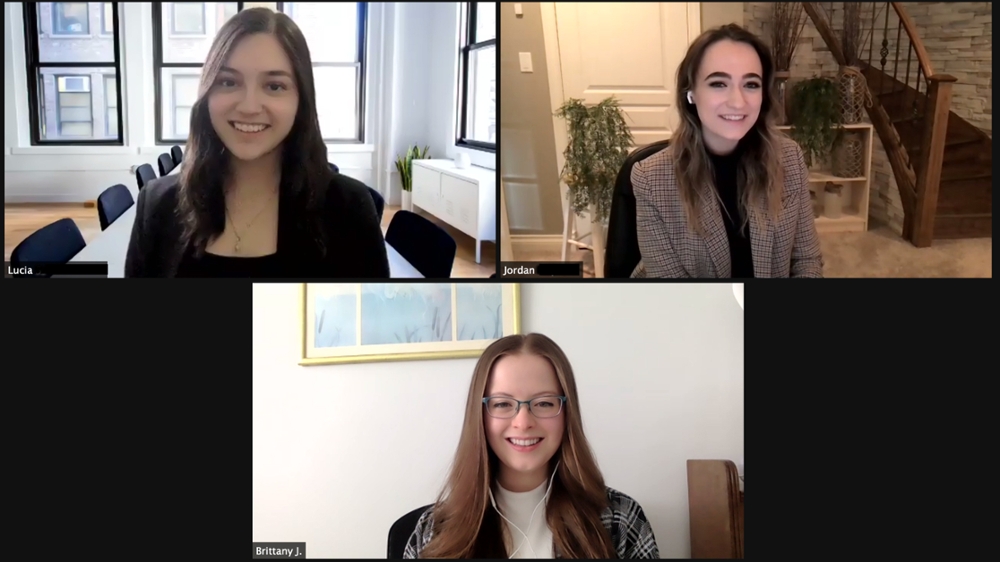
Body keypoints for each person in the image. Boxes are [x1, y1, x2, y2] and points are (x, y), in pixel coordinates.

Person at [125, 8, 389, 277]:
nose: (249, 106)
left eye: (274, 86)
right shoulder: (158, 206)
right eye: (228, 82)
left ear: (301, 100)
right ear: (206, 93)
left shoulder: (349, 209)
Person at [404, 333, 659, 559]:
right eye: (502, 404)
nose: (523, 422)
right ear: (479, 415)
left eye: (545, 403)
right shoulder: (433, 531)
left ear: (567, 413)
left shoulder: (621, 521)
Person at [632, 24, 823, 278]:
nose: (737, 101)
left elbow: (807, 261)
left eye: (751, 84)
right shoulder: (651, 179)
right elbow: (673, 295)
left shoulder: (789, 158)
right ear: (691, 93)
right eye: (719, 83)